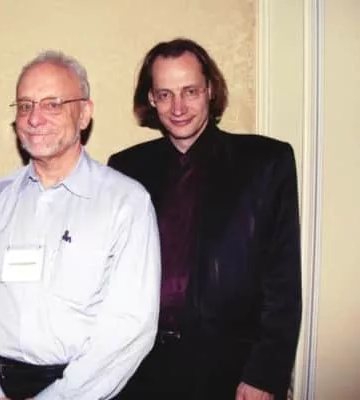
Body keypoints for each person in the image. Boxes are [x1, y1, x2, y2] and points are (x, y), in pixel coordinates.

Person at [0, 50, 161, 400]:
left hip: (84, 390)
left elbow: (130, 326)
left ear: (84, 114)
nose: (35, 118)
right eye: (25, 105)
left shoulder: (125, 203)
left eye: (52, 104)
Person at [108, 37, 302, 400]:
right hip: (140, 371)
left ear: (210, 90)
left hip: (231, 373)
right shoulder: (126, 168)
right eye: (165, 94)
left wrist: (265, 374)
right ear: (151, 99)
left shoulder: (265, 163)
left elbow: (283, 279)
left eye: (190, 91)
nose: (178, 107)